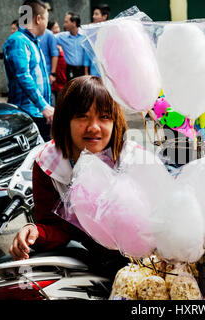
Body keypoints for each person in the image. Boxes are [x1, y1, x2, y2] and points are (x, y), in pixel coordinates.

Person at [9, 75, 129, 277]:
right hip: (89, 265)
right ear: (66, 120)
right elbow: (57, 228)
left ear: (115, 121)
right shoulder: (48, 165)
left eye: (104, 117)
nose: (94, 127)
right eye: (82, 116)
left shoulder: (130, 158)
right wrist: (35, 232)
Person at [3, 0, 54, 142]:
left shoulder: (31, 41)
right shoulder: (18, 40)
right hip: (27, 113)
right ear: (38, 19)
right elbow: (23, 75)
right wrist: (43, 106)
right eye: (46, 19)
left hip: (38, 112)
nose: (46, 24)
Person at [56, 12, 87, 82]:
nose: (64, 24)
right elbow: (50, 39)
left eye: (66, 22)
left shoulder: (86, 36)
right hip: (70, 70)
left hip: (84, 70)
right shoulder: (62, 37)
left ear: (74, 23)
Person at [38, 21, 59, 99]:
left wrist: (53, 73)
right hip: (34, 72)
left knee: (48, 97)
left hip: (46, 71)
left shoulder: (49, 34)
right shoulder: (29, 35)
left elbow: (54, 54)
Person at [48, 21, 67, 104]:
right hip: (53, 80)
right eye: (54, 28)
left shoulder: (62, 42)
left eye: (57, 27)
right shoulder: (49, 44)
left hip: (62, 80)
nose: (57, 30)